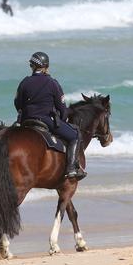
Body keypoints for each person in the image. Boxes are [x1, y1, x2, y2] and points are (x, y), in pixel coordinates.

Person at [15, 52, 85, 180]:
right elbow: (61, 107)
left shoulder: (24, 82)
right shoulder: (52, 83)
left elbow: (17, 104)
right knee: (75, 135)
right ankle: (71, 169)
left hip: (26, 121)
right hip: (45, 120)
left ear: (32, 66)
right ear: (46, 66)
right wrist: (62, 120)